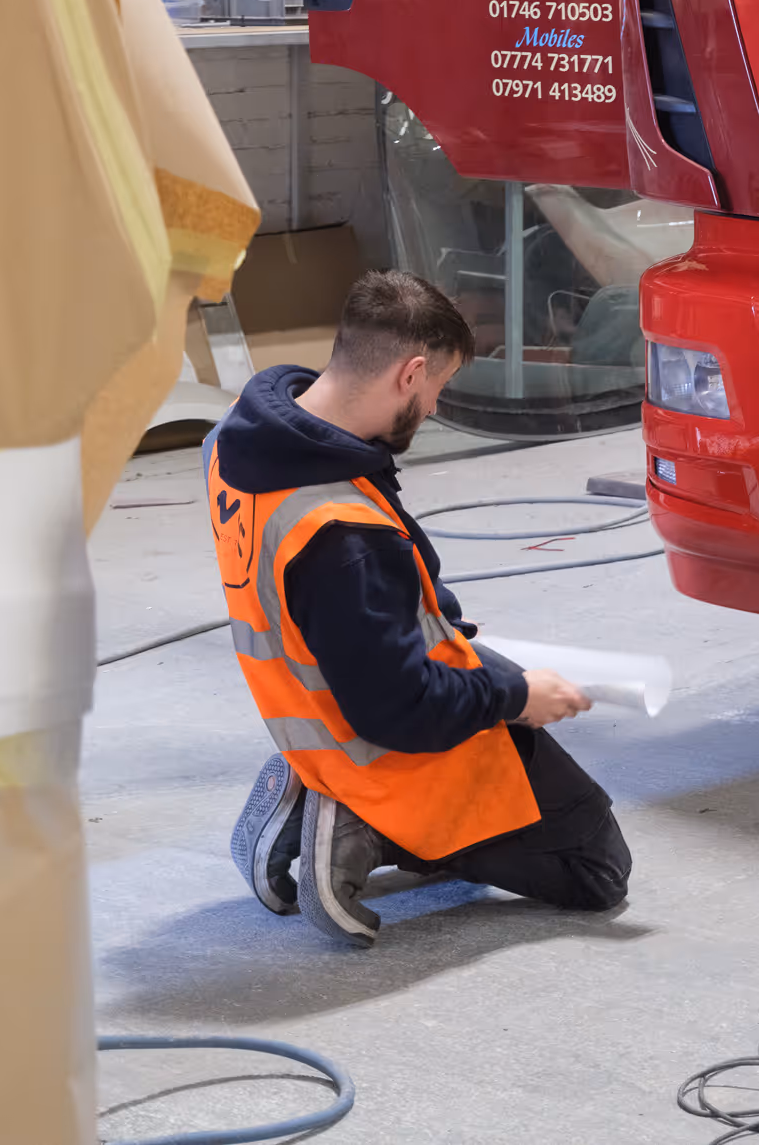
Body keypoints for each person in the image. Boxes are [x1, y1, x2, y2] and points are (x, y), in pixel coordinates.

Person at [206, 270, 631, 945]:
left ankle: (327, 781)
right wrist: (515, 696)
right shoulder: (341, 533)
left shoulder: (246, 439)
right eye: (438, 386)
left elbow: (365, 602)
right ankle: (356, 813)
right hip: (379, 721)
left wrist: (446, 623)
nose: (434, 407)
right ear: (409, 374)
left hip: (325, 693)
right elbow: (398, 704)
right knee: (597, 871)